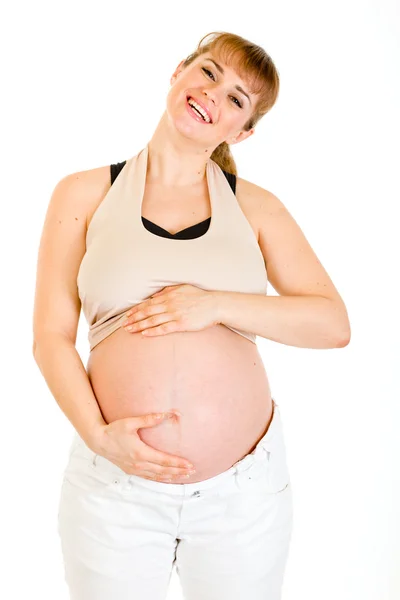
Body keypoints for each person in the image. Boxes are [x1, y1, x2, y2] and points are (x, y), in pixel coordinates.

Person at [32, 30, 350, 600]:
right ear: (179, 72)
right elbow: (51, 337)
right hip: (114, 486)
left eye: (237, 99)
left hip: (242, 496)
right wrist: (100, 439)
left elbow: (332, 324)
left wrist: (216, 305)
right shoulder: (83, 194)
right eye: (208, 73)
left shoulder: (257, 207)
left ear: (244, 131)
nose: (213, 96)